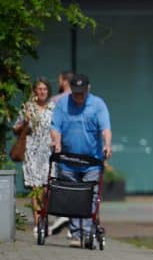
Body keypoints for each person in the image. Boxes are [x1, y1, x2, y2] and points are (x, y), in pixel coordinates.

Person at [50, 74, 112, 244]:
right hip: (68, 161)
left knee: (90, 196)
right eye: (75, 93)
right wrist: (57, 142)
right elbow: (55, 126)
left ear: (88, 90)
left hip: (91, 161)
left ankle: (86, 232)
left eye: (81, 93)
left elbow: (105, 128)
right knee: (72, 197)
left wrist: (107, 144)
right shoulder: (63, 104)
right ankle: (76, 234)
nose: (78, 97)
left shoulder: (98, 105)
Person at [12, 78, 57, 236]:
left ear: (48, 91)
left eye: (45, 89)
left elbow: (59, 127)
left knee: (47, 188)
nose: (42, 92)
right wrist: (25, 121)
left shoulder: (53, 108)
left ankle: (44, 217)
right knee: (36, 188)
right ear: (35, 91)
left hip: (48, 153)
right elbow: (15, 129)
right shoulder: (28, 108)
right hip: (31, 152)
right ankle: (38, 224)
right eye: (39, 89)